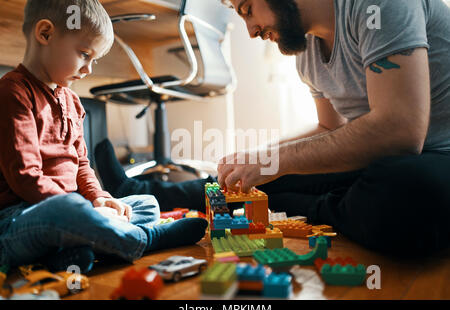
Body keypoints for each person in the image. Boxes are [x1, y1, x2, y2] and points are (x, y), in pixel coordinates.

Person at [95, 0, 450, 257]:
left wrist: (277, 162)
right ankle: (141, 190)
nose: (250, 31)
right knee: (261, 173)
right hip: (382, 160)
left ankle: (306, 207)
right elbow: (330, 127)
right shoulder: (307, 49)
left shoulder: (379, 5)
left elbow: (400, 132)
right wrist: (263, 158)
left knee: (408, 190)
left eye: (248, 8)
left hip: (432, 158)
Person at [0, 0, 208, 274]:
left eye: (94, 60)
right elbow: (26, 176)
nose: (89, 69)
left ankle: (72, 250)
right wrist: (84, 208)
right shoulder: (13, 93)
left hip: (72, 211)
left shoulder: (73, 101)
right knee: (69, 210)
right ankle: (145, 239)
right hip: (19, 220)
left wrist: (98, 198)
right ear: (46, 34)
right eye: (85, 54)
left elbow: (81, 165)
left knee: (147, 204)